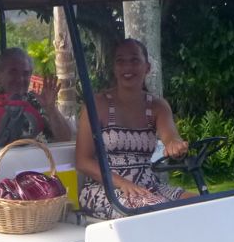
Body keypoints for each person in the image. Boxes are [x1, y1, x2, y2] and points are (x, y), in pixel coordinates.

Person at [75, 38, 191, 219]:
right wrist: (122, 183)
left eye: (135, 60)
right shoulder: (96, 104)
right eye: (120, 61)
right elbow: (83, 161)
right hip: (105, 189)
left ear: (147, 67)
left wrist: (175, 145)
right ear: (114, 68)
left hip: (148, 185)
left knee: (202, 202)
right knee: (155, 212)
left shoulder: (158, 106)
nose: (127, 67)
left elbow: (170, 137)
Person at [0, 47, 71, 149]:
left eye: (25, 73)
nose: (20, 79)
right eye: (13, 72)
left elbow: (65, 139)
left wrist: (51, 108)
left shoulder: (36, 103)